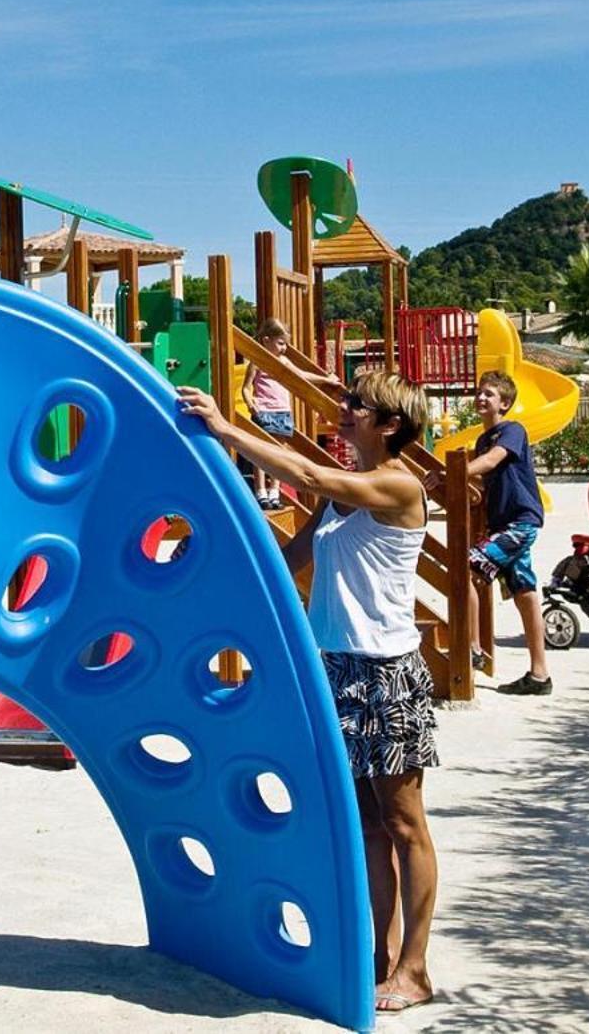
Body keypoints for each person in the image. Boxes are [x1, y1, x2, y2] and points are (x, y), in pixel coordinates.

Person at [178, 370, 439, 1015]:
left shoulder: (397, 484)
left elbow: (314, 477)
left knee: (404, 822)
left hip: (386, 671)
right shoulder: (340, 496)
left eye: (360, 406)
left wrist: (225, 427)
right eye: (349, 401)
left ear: (390, 425)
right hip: (338, 669)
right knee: (368, 825)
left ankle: (416, 968)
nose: (346, 410)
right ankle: (376, 958)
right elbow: (290, 557)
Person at [454, 370, 549, 696]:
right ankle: (540, 675)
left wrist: (454, 472)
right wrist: (451, 482)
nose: (481, 397)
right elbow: (482, 481)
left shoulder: (512, 431)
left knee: (464, 567)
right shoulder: (481, 440)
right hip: (503, 524)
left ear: (505, 403)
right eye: (479, 392)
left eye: (489, 394)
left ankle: (473, 648)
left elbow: (494, 461)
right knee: (525, 592)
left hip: (519, 523)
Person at [240, 318, 296, 509]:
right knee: (262, 453)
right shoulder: (258, 362)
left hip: (282, 412)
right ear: (266, 340)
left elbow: (301, 376)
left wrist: (325, 379)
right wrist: (250, 404)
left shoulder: (283, 362)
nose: (284, 348)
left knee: (279, 454)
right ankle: (261, 491)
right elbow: (246, 388)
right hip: (264, 410)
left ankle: (275, 492)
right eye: (280, 343)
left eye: (286, 344)